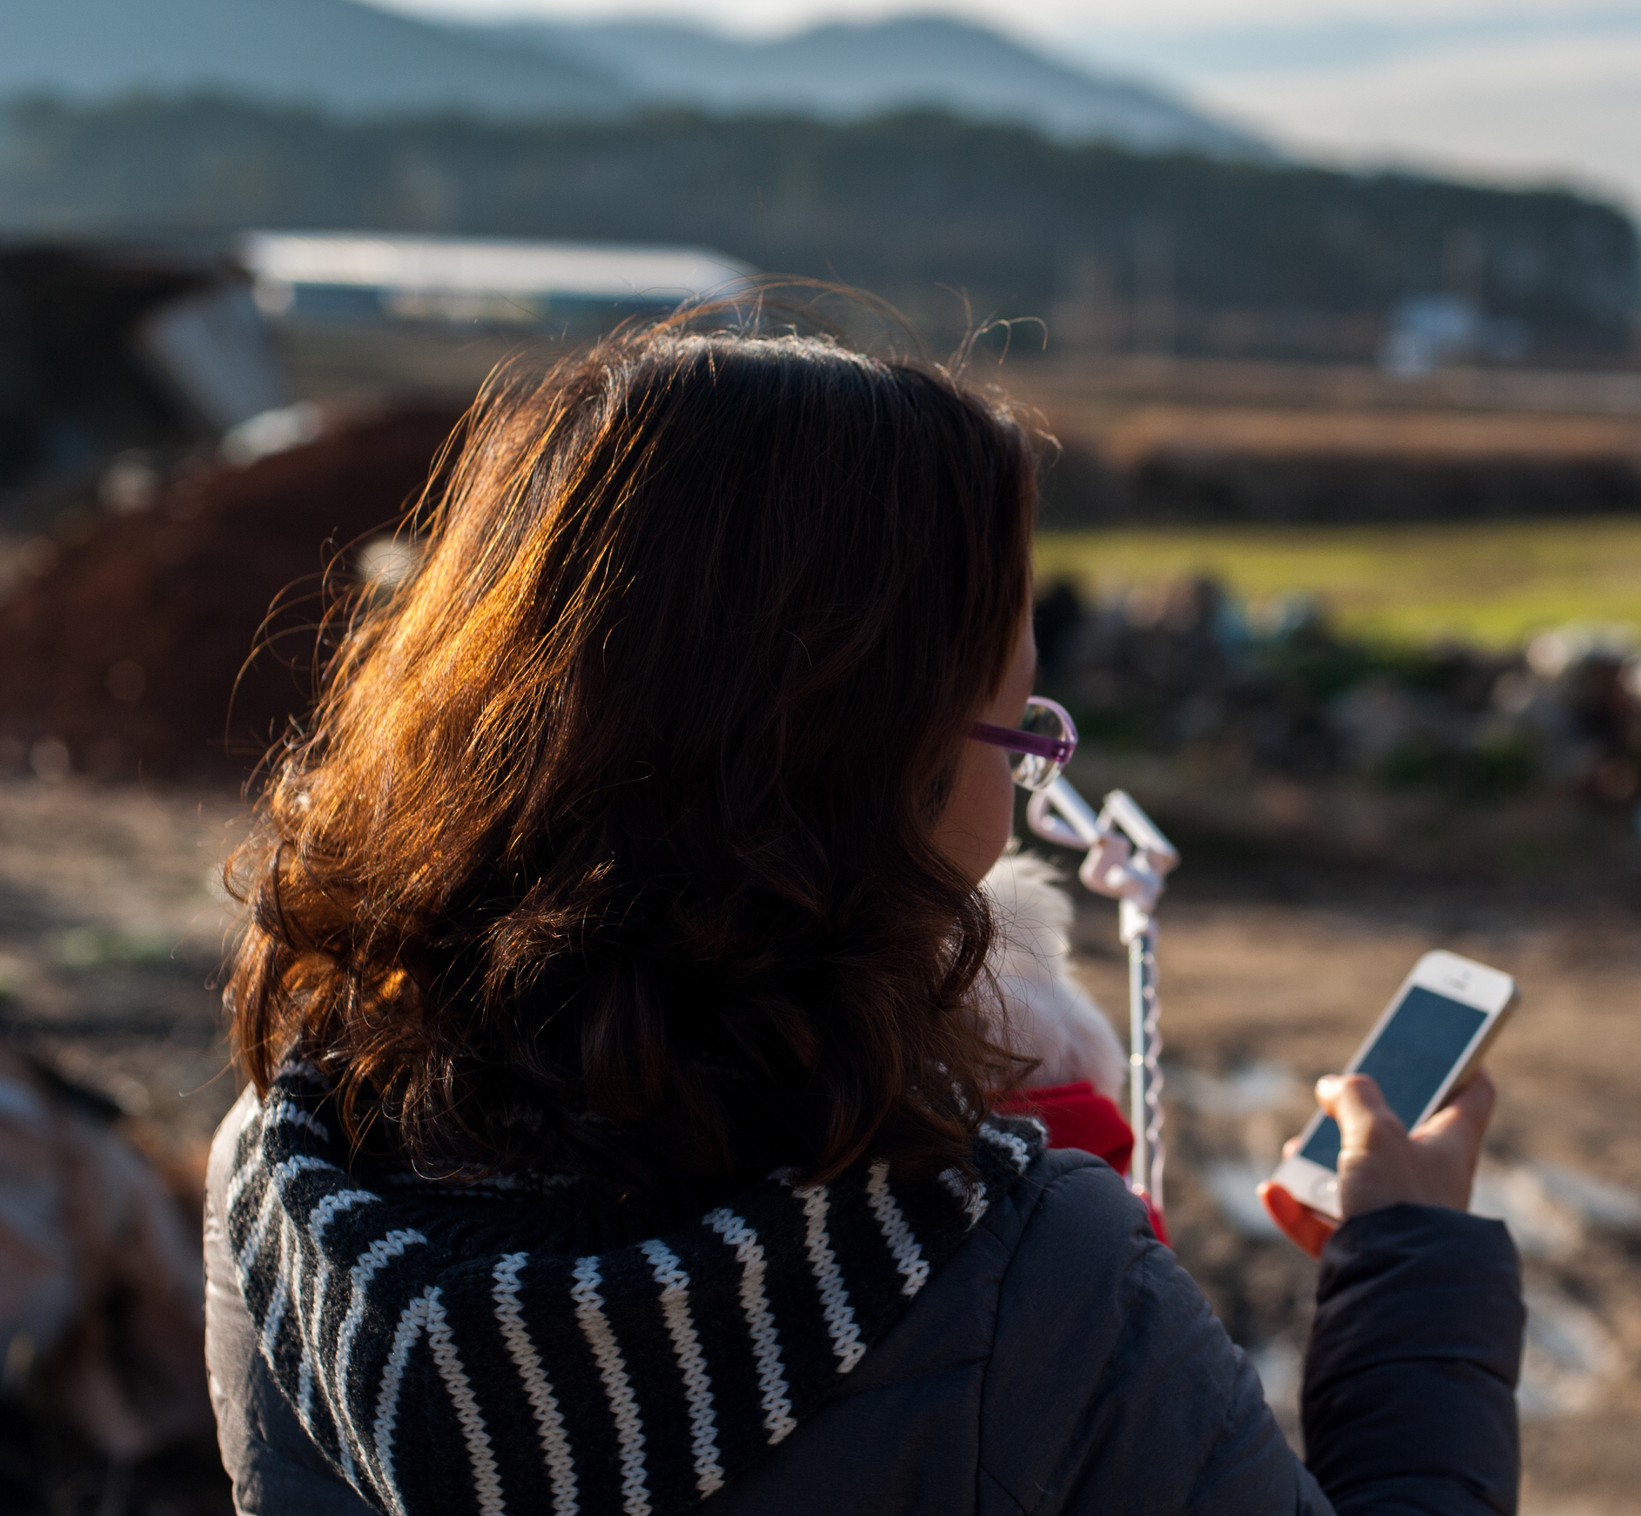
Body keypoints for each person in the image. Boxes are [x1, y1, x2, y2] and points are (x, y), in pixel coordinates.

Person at [200, 318, 1523, 1516]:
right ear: (865, 768)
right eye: (1016, 735)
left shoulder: (279, 1179)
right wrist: (1412, 1261)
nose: (1019, 792)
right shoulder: (1023, 1280)